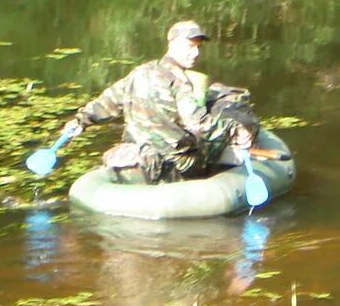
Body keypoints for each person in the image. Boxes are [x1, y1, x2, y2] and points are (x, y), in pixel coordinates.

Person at [62, 20, 260, 184]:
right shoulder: (179, 81)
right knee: (214, 142)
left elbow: (106, 104)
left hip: (143, 150)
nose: (196, 53)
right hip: (177, 161)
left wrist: (81, 121)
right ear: (172, 44)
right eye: (190, 46)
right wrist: (234, 129)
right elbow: (198, 125)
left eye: (198, 47)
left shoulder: (139, 72)